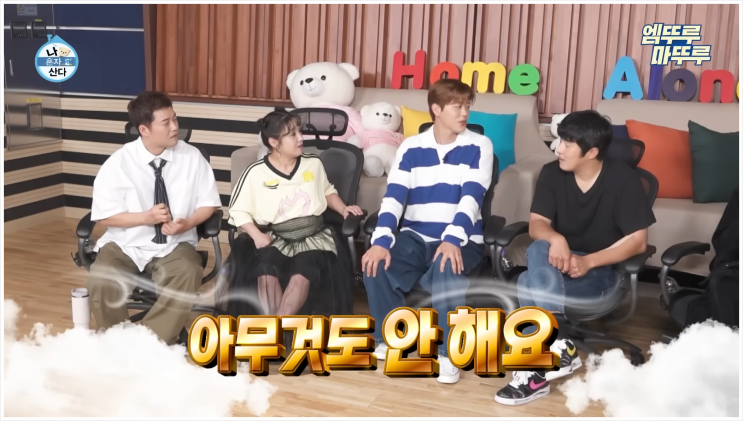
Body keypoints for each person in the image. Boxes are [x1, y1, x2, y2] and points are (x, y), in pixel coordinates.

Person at [494, 110, 656, 406]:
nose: (558, 149)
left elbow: (638, 241)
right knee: (539, 248)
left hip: (599, 275)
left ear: (592, 152)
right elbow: (536, 224)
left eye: (568, 144)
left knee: (527, 282)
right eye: (560, 141)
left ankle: (535, 372)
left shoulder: (623, 179)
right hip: (554, 268)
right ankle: (559, 343)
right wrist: (557, 239)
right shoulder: (552, 173)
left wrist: (589, 261)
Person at [362, 79, 493, 384]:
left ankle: (449, 353)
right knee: (374, 262)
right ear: (436, 109)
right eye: (457, 106)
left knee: (446, 264)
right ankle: (391, 337)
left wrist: (452, 239)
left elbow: (472, 198)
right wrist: (381, 240)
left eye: (467, 106)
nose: (464, 113)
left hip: (462, 239)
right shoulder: (410, 147)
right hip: (416, 237)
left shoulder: (479, 146)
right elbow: (393, 198)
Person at [86, 91, 222, 345]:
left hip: (175, 244)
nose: (175, 127)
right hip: (125, 244)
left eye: (175, 119)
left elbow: (208, 204)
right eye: (166, 122)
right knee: (102, 278)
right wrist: (145, 217)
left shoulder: (192, 157)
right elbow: (106, 216)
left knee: (187, 272)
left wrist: (188, 223)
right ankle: (115, 342)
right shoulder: (118, 163)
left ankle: (148, 343)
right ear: (144, 130)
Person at [218, 107, 362, 321]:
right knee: (266, 270)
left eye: (299, 131)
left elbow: (327, 190)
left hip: (314, 236)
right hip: (276, 236)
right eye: (292, 134)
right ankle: (278, 329)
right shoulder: (255, 172)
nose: (301, 138)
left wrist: (343, 208)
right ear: (274, 143)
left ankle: (278, 327)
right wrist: (256, 236)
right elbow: (238, 210)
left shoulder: (313, 163)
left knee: (304, 271)